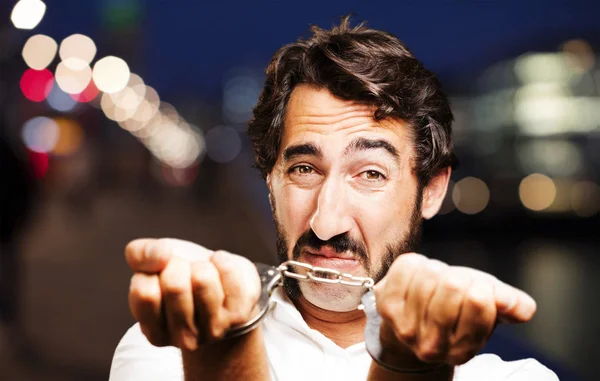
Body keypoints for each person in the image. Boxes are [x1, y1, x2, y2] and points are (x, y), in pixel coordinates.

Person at [109, 17, 558, 381]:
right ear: (271, 181)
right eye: (304, 169)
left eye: (370, 174)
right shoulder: (167, 353)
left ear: (432, 190)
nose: (326, 224)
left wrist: (410, 363)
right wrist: (224, 351)